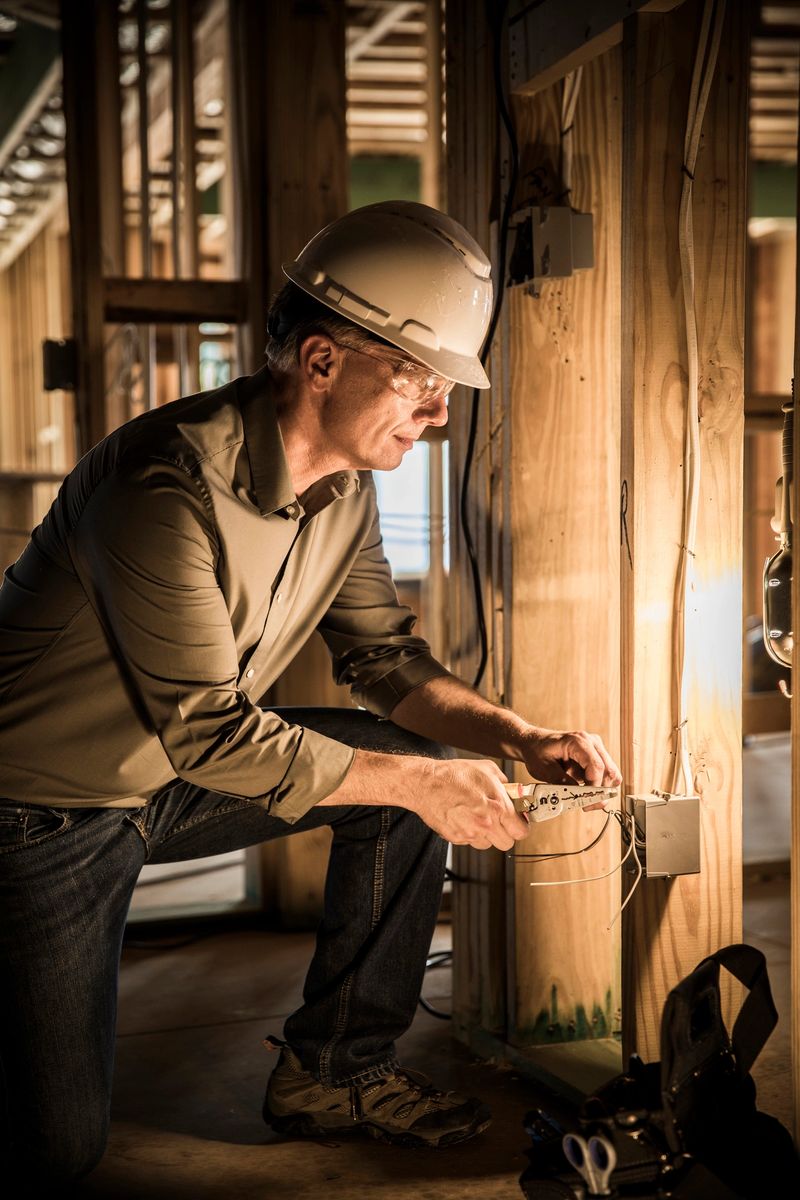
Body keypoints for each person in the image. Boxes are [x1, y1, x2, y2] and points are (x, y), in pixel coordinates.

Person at [0, 201, 621, 1184]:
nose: (436, 411)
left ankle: (332, 1073)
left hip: (162, 776)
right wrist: (421, 789)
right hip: (38, 812)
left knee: (418, 765)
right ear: (322, 360)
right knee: (55, 1150)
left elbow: (384, 665)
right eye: (418, 377)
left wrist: (513, 735)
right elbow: (212, 732)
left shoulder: (345, 491)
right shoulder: (159, 489)